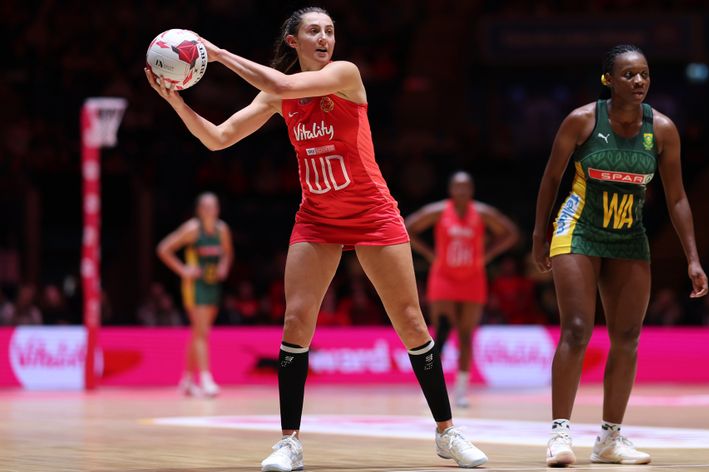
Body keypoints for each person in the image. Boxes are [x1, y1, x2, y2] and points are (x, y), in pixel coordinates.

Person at [145, 7, 487, 471]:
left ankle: (448, 433)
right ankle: (289, 443)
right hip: (317, 219)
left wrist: (218, 54)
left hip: (372, 214)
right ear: (294, 40)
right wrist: (176, 101)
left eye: (329, 31)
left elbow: (284, 85)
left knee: (411, 322)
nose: (324, 38)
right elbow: (220, 138)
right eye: (314, 31)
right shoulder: (276, 97)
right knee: (295, 323)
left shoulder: (345, 75)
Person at [532, 44, 708, 466]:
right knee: (576, 329)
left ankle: (609, 439)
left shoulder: (662, 129)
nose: (639, 81)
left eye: (644, 74)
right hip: (578, 230)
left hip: (629, 236)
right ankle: (559, 433)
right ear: (608, 80)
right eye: (629, 74)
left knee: (627, 338)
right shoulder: (582, 121)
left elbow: (678, 197)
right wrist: (540, 235)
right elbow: (551, 178)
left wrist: (693, 258)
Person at [405, 171, 518, 408]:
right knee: (441, 334)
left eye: (466, 187)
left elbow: (511, 233)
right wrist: (429, 253)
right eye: (457, 187)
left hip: (473, 278)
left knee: (466, 335)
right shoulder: (439, 211)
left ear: (471, 190)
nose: (462, 191)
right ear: (451, 190)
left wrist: (487, 255)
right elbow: (408, 227)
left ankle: (461, 390)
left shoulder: (482, 213)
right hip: (444, 277)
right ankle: (432, 388)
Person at [157, 192, 233, 397]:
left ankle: (188, 380)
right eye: (206, 207)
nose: (211, 211)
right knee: (201, 333)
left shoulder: (222, 230)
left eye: (214, 206)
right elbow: (163, 249)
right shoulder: (192, 229)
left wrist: (224, 267)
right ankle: (206, 379)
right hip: (195, 286)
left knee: (199, 331)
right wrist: (183, 270)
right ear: (199, 210)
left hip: (212, 285)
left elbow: (228, 253)